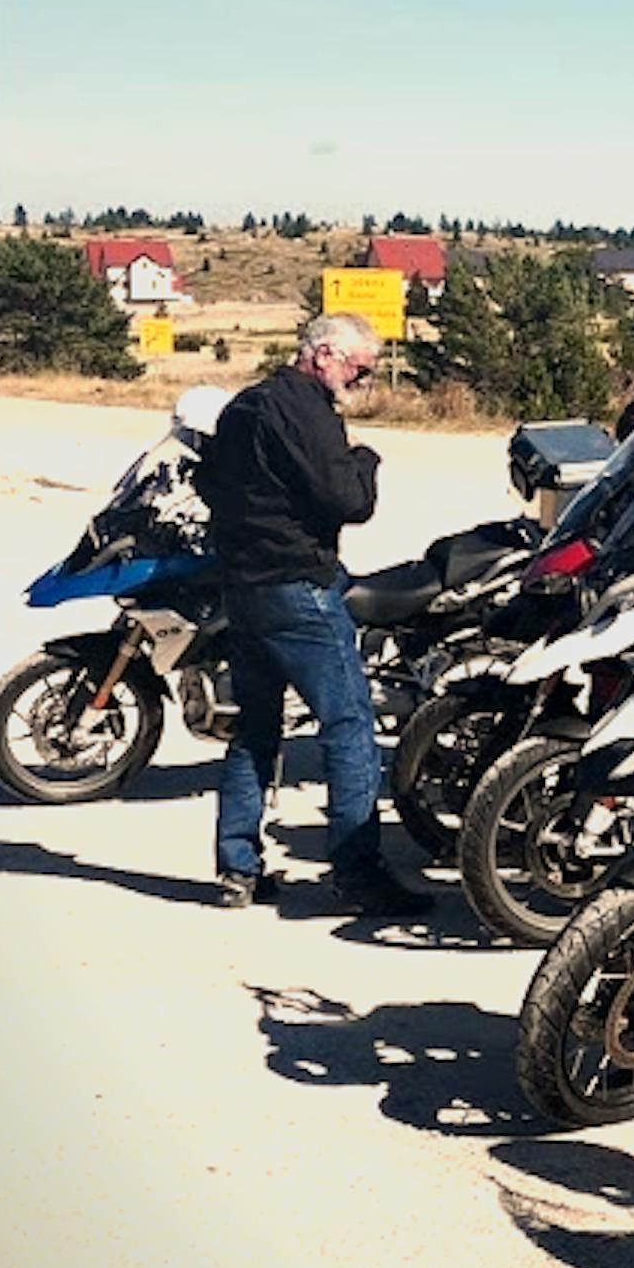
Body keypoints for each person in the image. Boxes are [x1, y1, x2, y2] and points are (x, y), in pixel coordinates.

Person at [200, 312, 390, 910]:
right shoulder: (309, 412)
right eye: (358, 370)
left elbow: (207, 483)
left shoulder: (243, 405)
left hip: (242, 591)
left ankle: (237, 870)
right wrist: (366, 460)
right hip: (296, 588)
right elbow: (348, 500)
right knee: (352, 726)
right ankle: (358, 875)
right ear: (326, 353)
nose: (358, 384)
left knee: (255, 730)